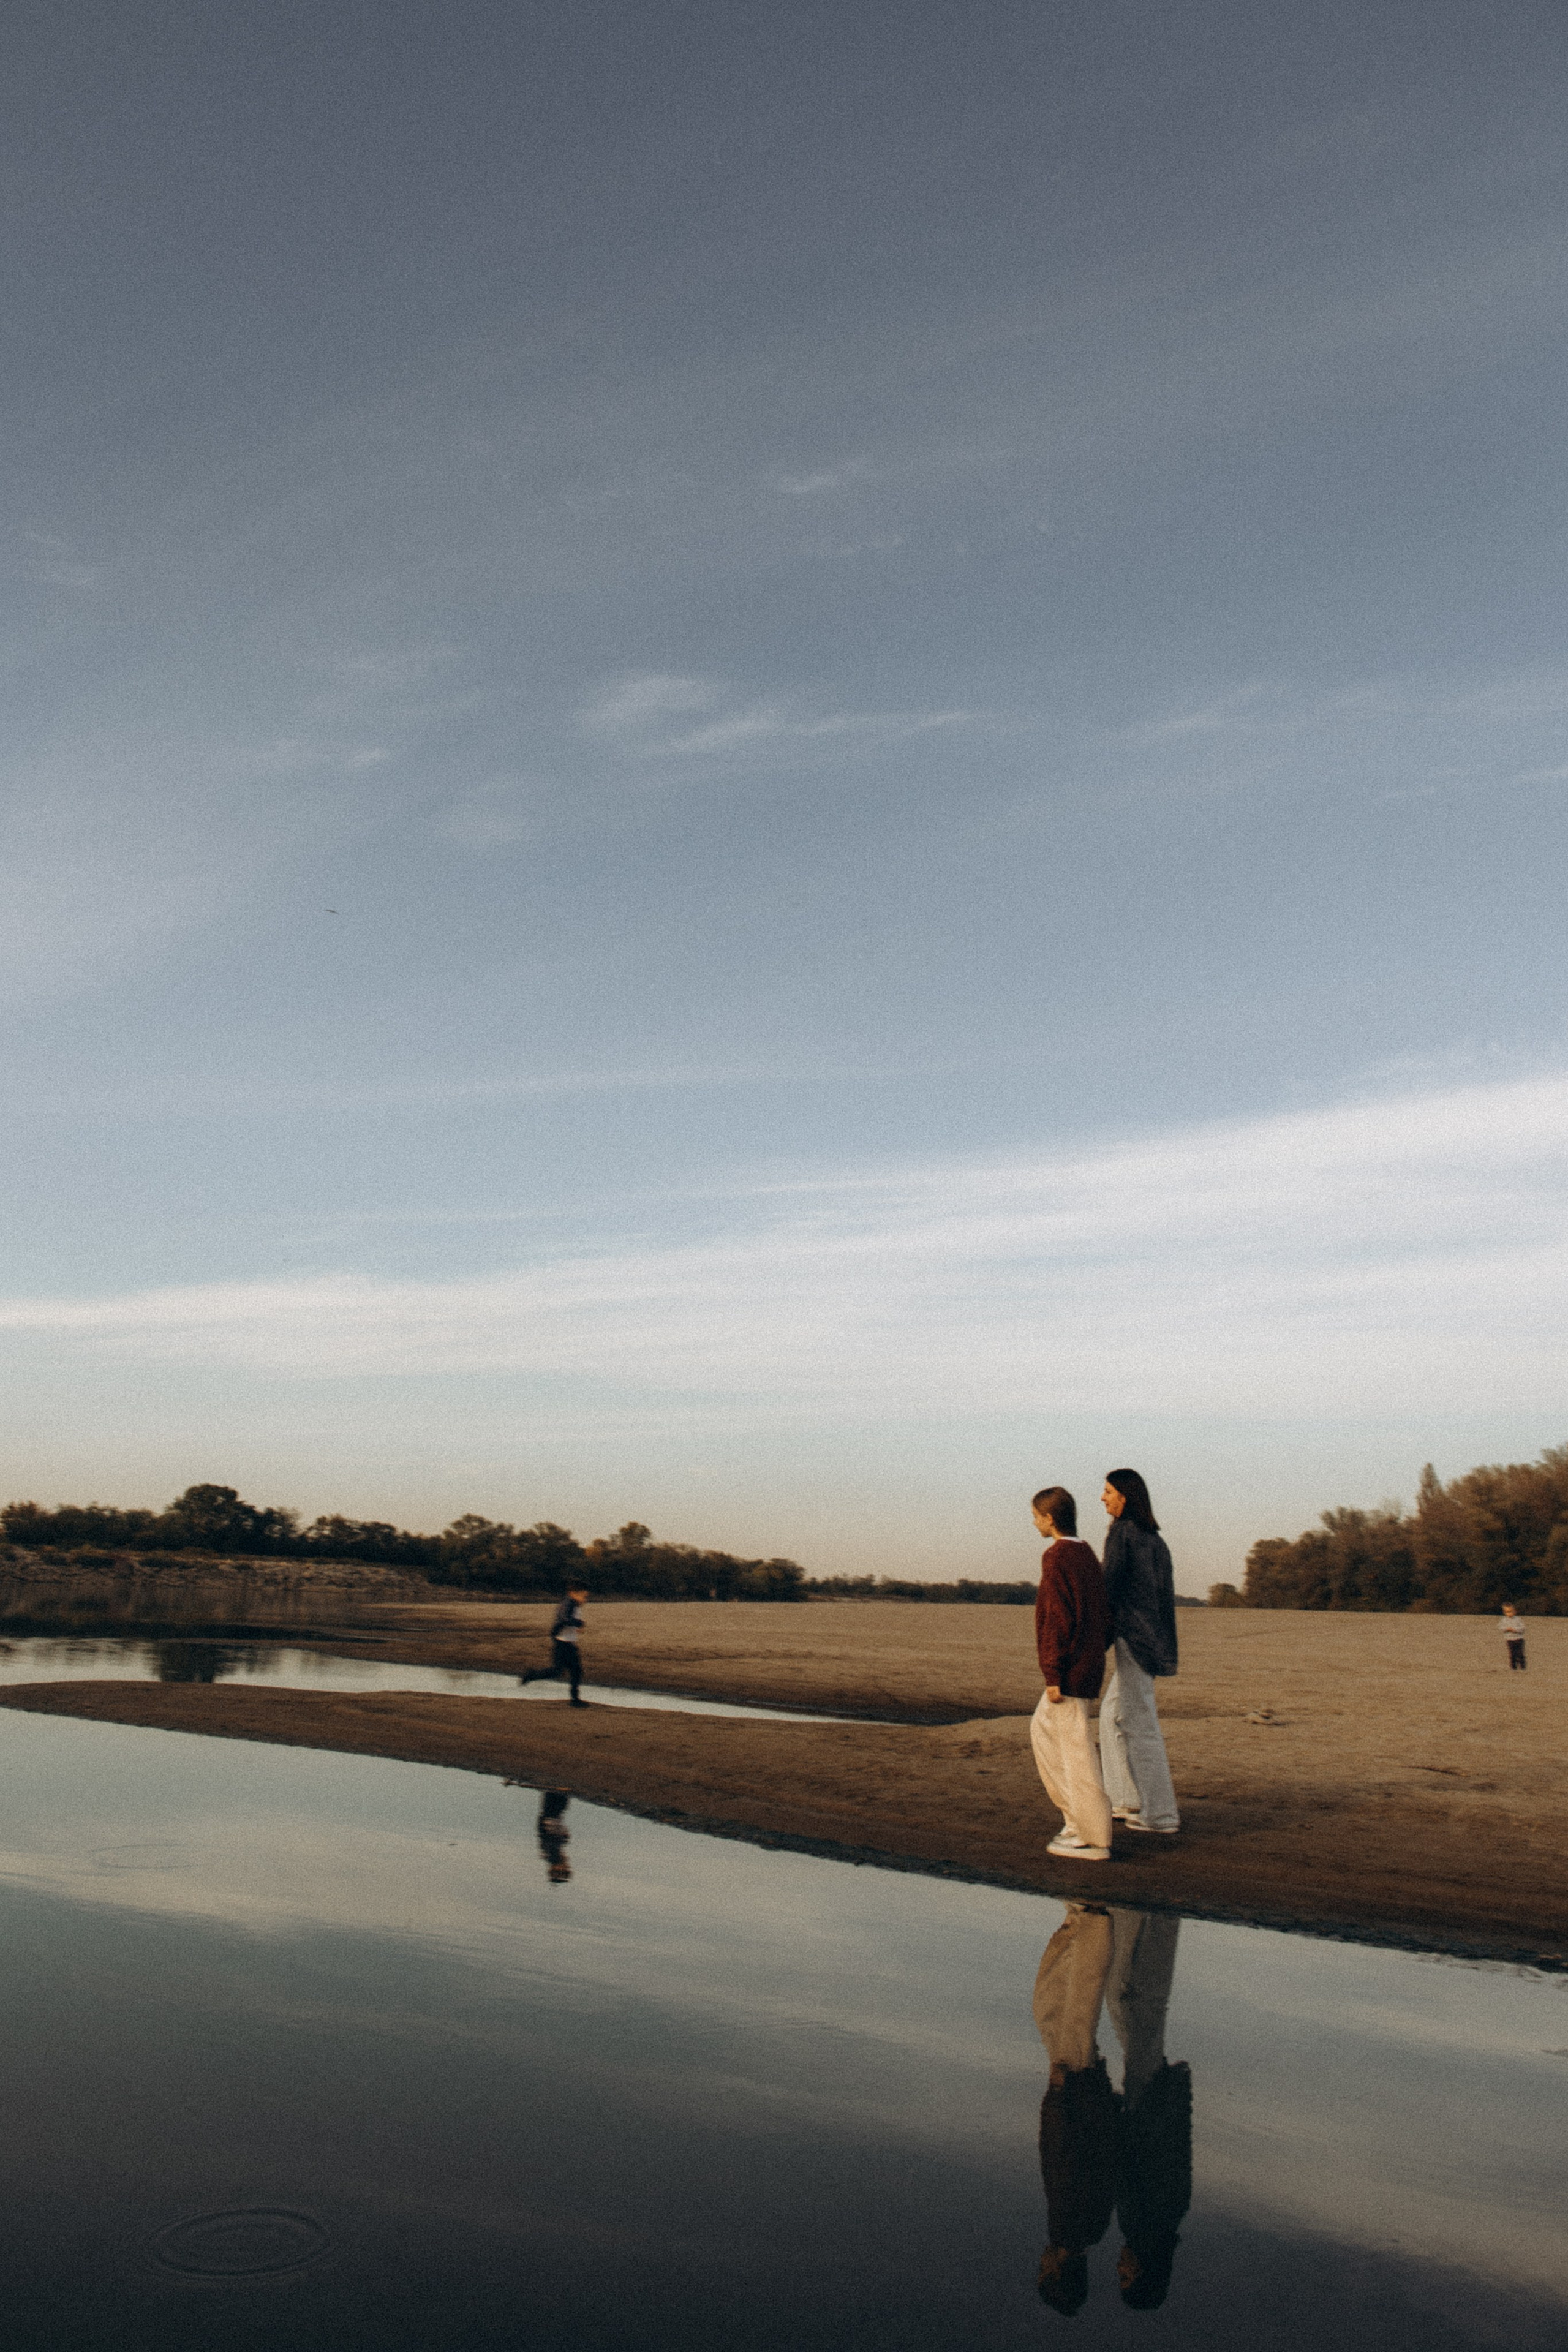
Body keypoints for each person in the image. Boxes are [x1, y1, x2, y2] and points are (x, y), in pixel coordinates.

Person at [1030, 1487, 1114, 1861]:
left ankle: (1092, 1838)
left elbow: (1057, 1619)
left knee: (1077, 1755)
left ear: (1050, 1519)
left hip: (1070, 1672)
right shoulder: (1086, 1553)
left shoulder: (1057, 1556)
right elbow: (1104, 1614)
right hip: (1087, 1665)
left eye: (1036, 1517)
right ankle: (1075, 1822)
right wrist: (1092, 1653)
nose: (1034, 1523)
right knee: (1044, 1732)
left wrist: (1053, 1674)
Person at [1098, 1471, 1180, 1835]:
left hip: (1134, 1641)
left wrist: (1097, 1638)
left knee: (1140, 1725)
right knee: (1111, 1715)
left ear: (1126, 1497)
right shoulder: (1155, 1540)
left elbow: (1108, 1587)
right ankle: (1126, 1800)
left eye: (1109, 1491)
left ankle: (1161, 1815)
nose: (1103, 1498)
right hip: (1151, 1642)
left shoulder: (1123, 1533)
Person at [520, 1585, 589, 1705]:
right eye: (583, 1596)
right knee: (559, 1671)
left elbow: (567, 1619)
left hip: (568, 1642)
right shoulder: (568, 1603)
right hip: (562, 1643)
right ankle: (531, 1675)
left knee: (575, 1671)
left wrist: (576, 1626)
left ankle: (575, 1699)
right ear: (573, 1593)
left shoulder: (574, 1604)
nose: (585, 1600)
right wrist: (579, 1624)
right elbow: (564, 1618)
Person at [1500, 1602, 1527, 1670]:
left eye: (1511, 1612)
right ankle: (1513, 1667)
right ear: (1504, 1613)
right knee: (1512, 1654)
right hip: (1510, 1640)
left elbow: (1523, 1628)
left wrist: (1515, 1630)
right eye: (1507, 1612)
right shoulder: (1504, 1620)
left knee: (1520, 1653)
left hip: (1519, 1639)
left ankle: (1523, 1667)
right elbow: (1500, 1627)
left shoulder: (1518, 1619)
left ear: (1515, 1611)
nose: (1509, 1614)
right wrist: (1506, 1629)